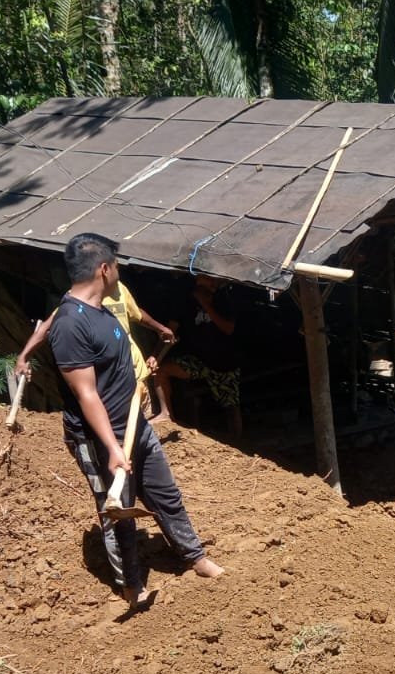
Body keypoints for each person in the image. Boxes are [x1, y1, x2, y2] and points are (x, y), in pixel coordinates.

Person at [47, 232, 222, 609]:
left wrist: (141, 377)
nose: (119, 271)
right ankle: (132, 586)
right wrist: (110, 447)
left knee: (165, 493)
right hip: (100, 436)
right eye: (117, 264)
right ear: (104, 268)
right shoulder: (69, 324)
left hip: (134, 422)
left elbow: (118, 364)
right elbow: (86, 393)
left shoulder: (103, 311)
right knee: (118, 511)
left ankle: (194, 556)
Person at [14, 270, 174, 394]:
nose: (118, 273)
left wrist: (161, 329)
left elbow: (136, 313)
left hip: (135, 373)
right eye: (115, 267)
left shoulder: (120, 289)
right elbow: (47, 327)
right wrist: (24, 357)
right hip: (109, 380)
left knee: (141, 428)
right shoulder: (77, 299)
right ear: (103, 270)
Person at [151, 273, 244, 436]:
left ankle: (240, 442)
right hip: (199, 360)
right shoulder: (185, 300)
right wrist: (155, 356)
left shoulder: (223, 298)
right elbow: (170, 329)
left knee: (231, 406)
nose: (211, 284)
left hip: (224, 363)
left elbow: (228, 328)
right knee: (162, 370)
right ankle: (167, 415)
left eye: (212, 281)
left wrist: (206, 304)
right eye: (206, 280)